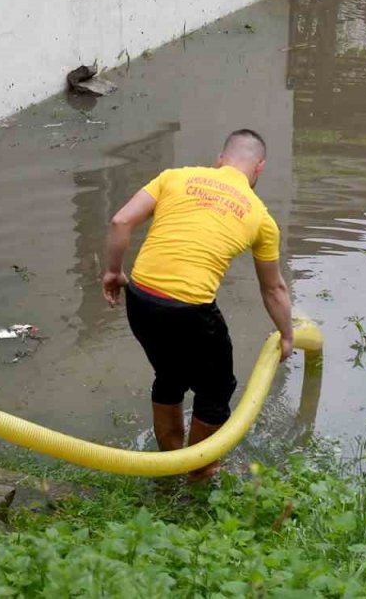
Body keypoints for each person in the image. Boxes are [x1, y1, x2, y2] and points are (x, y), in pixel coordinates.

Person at [102, 129, 294, 481]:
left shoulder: (174, 177)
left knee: (169, 375)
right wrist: (287, 335)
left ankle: (168, 467)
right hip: (189, 310)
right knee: (217, 390)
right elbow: (274, 289)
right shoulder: (261, 217)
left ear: (220, 159)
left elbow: (120, 220)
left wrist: (114, 272)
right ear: (259, 168)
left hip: (140, 297)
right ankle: (199, 472)